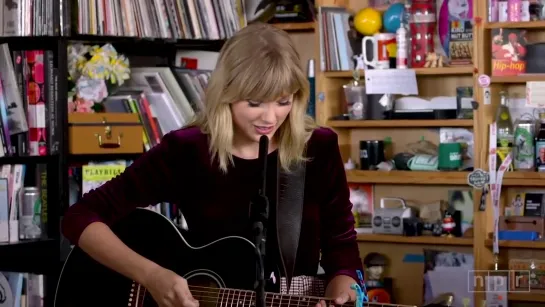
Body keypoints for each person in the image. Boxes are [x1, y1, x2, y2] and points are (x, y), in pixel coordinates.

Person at [62, 23, 362, 307]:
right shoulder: (187, 149)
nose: (270, 118)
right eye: (254, 103)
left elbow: (343, 245)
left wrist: (343, 286)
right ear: (227, 95)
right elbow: (79, 217)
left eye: (282, 101)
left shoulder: (318, 147)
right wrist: (150, 275)